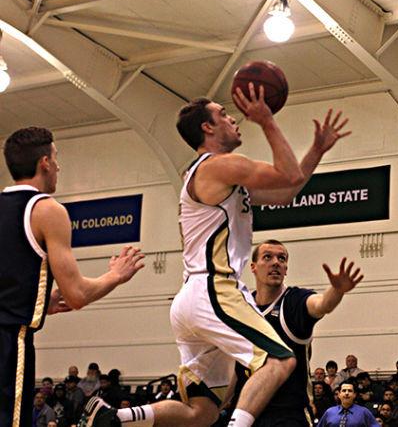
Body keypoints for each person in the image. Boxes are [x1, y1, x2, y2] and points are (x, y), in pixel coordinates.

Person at [86, 91, 340, 427]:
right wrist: (265, 120)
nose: (234, 118)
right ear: (208, 127)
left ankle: (114, 418)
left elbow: (286, 191)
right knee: (280, 361)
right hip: (215, 290)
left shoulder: (222, 180)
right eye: (224, 114)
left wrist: (316, 152)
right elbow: (288, 176)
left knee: (202, 412)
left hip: (191, 299)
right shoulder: (219, 165)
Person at [0, 127, 144, 427]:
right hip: (9, 342)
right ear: (44, 163)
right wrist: (115, 276)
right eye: (56, 157)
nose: (58, 166)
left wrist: (36, 302)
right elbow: (77, 294)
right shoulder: (46, 210)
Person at [231, 239, 363, 426]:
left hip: (288, 414)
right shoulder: (241, 307)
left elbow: (321, 304)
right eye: (267, 257)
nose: (276, 262)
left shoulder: (294, 301)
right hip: (245, 411)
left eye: (282, 259)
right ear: (253, 267)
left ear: (286, 269)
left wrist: (336, 291)